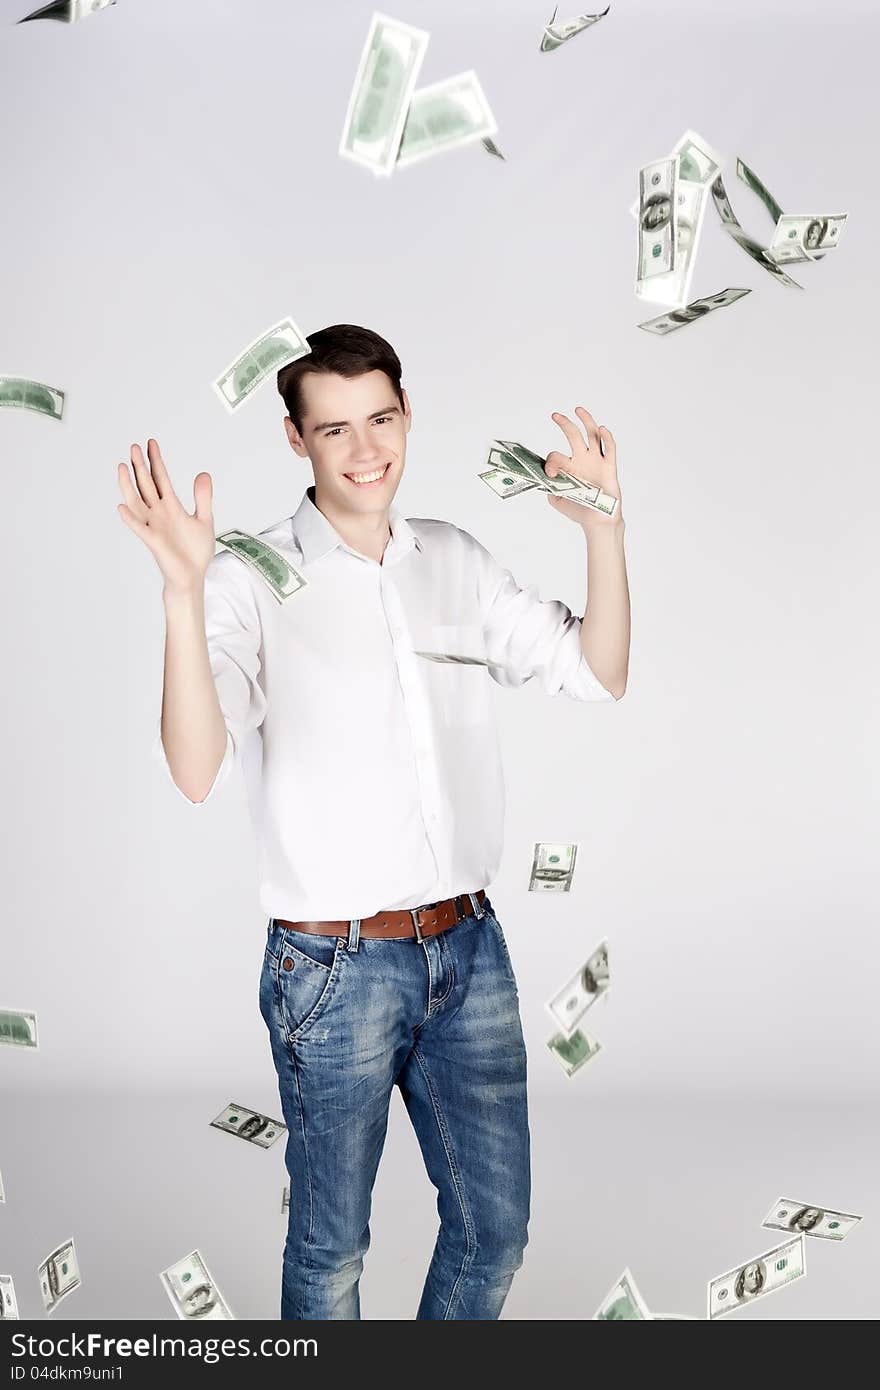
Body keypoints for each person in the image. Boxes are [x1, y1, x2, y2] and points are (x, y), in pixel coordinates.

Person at [117, 323, 631, 1321]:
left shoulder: (455, 557)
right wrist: (182, 591)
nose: (365, 450)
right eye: (336, 428)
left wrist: (601, 534)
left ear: (407, 418)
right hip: (332, 968)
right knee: (330, 1252)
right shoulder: (244, 577)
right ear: (295, 440)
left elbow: (597, 671)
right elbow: (193, 766)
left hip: (470, 951)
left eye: (382, 419)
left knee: (495, 1231)